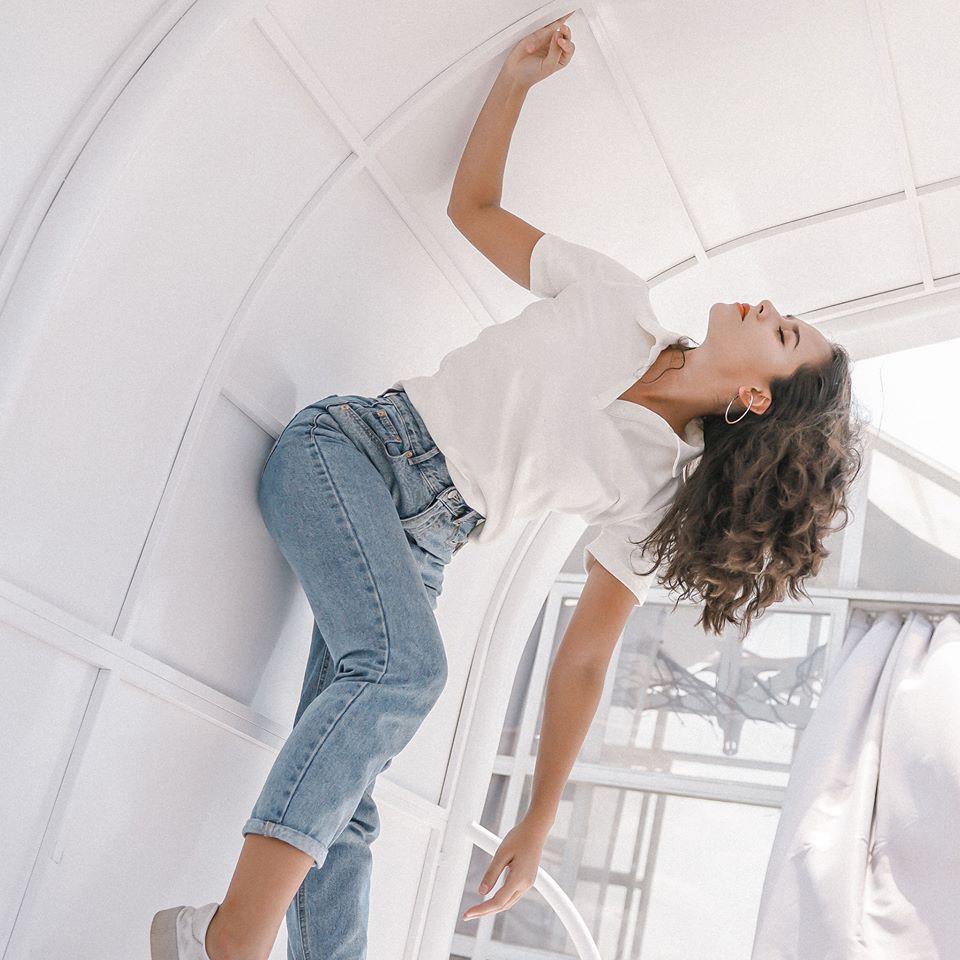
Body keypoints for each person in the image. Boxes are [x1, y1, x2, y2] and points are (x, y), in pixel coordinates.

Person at [150, 12, 865, 960]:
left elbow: (585, 657)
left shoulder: (660, 489)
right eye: (785, 316)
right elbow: (475, 209)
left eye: (782, 334)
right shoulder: (614, 296)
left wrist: (539, 814)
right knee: (404, 674)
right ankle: (229, 940)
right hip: (352, 452)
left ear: (755, 398)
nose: (768, 307)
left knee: (353, 796)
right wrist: (514, 83)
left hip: (426, 547)